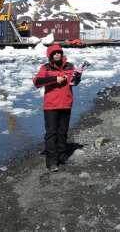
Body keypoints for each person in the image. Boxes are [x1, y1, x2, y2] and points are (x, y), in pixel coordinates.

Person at [33, 44, 82, 172]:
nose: (57, 55)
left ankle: (62, 156)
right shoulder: (45, 68)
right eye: (54, 53)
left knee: (63, 132)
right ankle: (51, 162)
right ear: (50, 56)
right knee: (51, 134)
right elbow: (37, 82)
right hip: (51, 106)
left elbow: (74, 83)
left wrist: (78, 76)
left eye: (59, 52)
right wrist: (55, 79)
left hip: (66, 104)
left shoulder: (70, 66)